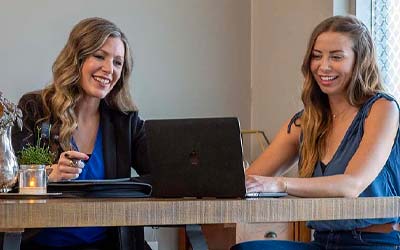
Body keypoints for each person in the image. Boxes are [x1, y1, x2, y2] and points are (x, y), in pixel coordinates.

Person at [233, 15, 400, 250]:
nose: (324, 66)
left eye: (336, 57)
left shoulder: (382, 108)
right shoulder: (305, 121)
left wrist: (281, 184)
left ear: (359, 61)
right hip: (322, 242)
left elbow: (351, 185)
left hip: (374, 243)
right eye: (317, 55)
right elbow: (249, 183)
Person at [11, 17, 150, 250]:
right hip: (39, 244)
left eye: (117, 62)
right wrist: (49, 174)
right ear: (77, 59)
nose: (109, 69)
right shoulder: (34, 108)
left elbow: (162, 172)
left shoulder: (125, 121)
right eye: (99, 56)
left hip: (108, 245)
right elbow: (9, 177)